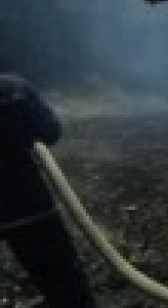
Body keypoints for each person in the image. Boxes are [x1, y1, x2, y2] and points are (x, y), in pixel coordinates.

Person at [0, 74, 97, 307]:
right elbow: (51, 131)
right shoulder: (13, 89)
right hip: (29, 207)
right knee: (65, 285)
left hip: (16, 211)